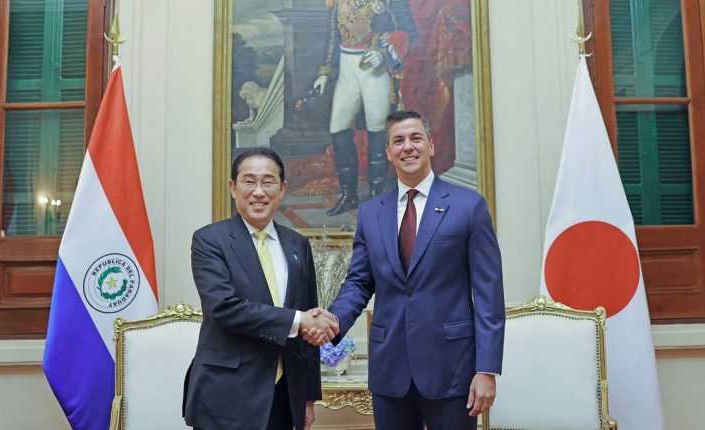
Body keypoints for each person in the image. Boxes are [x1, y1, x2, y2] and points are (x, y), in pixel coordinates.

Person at [325, 110, 505, 429]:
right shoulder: (370, 214)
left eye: (415, 138)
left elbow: (489, 294)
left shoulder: (468, 206)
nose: (407, 146)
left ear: (431, 146)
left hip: (452, 369)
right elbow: (358, 283)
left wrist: (486, 369)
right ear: (388, 152)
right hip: (390, 370)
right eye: (398, 141)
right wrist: (333, 322)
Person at [183, 148, 339, 430]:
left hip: (283, 395)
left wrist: (307, 398)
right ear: (233, 187)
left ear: (282, 189)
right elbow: (223, 308)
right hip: (227, 395)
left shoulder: (297, 245)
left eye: (268, 182)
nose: (258, 192)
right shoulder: (210, 241)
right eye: (248, 181)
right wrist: (298, 320)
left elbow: (308, 326)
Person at [312, 0, 416, 216]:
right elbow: (332, 39)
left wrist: (384, 55)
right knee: (338, 128)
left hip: (375, 70)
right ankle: (349, 195)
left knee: (377, 129)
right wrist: (323, 72)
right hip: (346, 70)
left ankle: (377, 195)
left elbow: (409, 32)